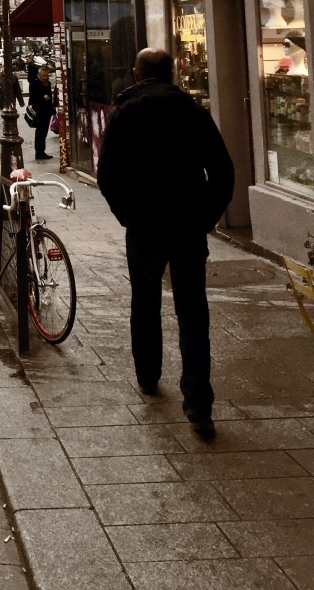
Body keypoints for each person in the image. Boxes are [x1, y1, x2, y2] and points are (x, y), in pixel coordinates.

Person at [96, 47, 234, 441]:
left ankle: (147, 374)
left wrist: (128, 214)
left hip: (145, 225)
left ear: (137, 73)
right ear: (170, 73)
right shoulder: (191, 110)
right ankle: (198, 404)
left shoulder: (126, 112)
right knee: (193, 312)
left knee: (145, 301)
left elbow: (107, 174)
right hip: (187, 223)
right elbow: (223, 171)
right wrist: (206, 216)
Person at [28, 64, 56, 160]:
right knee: (40, 132)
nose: (45, 77)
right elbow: (32, 98)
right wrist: (42, 97)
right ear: (39, 75)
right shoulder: (34, 84)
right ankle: (39, 152)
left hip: (46, 110)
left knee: (44, 132)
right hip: (39, 111)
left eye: (46, 75)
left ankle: (42, 151)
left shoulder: (48, 83)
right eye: (43, 75)